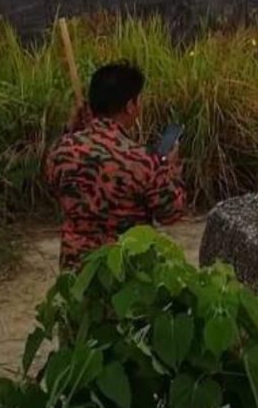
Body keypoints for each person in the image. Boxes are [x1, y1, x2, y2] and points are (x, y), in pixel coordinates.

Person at [46, 60, 191, 270]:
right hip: (126, 271)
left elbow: (54, 186)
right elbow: (171, 213)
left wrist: (72, 129)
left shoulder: (61, 151)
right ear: (130, 106)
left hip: (76, 272)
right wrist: (171, 170)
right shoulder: (142, 160)